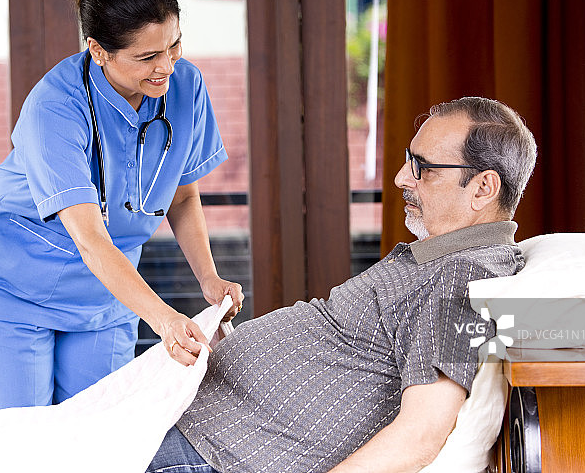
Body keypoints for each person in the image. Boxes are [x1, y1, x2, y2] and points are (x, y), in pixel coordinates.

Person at [146, 96, 537, 473]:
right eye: (408, 160)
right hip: (202, 419)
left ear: (483, 188)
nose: (402, 177)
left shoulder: (462, 277)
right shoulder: (440, 259)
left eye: (424, 168)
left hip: (214, 452)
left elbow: (422, 433)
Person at [0, 0, 243, 417]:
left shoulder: (185, 86)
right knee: (14, 449)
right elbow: (89, 239)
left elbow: (181, 194)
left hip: (107, 296)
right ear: (98, 50)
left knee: (97, 443)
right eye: (147, 57)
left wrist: (208, 278)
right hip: (12, 288)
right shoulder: (55, 107)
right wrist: (164, 319)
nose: (166, 66)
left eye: (174, 45)